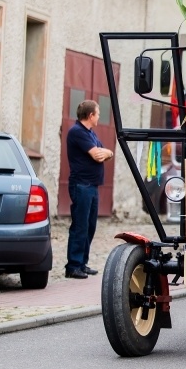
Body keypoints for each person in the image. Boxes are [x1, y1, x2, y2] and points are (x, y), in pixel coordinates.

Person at [65, 100, 114, 279]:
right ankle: (73, 266)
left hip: (92, 186)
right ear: (91, 115)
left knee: (90, 226)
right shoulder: (77, 131)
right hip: (81, 185)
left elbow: (105, 153)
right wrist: (105, 153)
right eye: (98, 114)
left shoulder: (90, 133)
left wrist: (108, 152)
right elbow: (97, 155)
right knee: (80, 225)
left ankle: (82, 263)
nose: (99, 117)